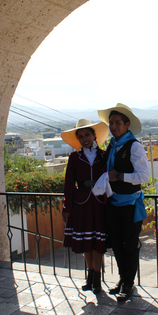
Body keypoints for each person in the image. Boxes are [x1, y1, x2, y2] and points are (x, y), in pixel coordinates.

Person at [97, 103, 150, 301]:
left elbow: (144, 176)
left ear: (127, 124)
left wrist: (119, 176)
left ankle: (128, 282)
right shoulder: (113, 145)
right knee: (118, 244)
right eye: (111, 123)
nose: (113, 126)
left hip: (130, 204)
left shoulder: (134, 146)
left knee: (129, 245)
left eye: (117, 122)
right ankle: (123, 279)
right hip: (113, 202)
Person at [61, 119, 109, 294]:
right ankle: (90, 277)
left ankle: (97, 278)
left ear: (94, 135)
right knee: (86, 241)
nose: (84, 138)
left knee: (98, 242)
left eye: (87, 134)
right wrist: (66, 207)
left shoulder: (104, 156)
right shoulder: (74, 158)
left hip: (99, 203)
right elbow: (68, 184)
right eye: (80, 136)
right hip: (80, 203)